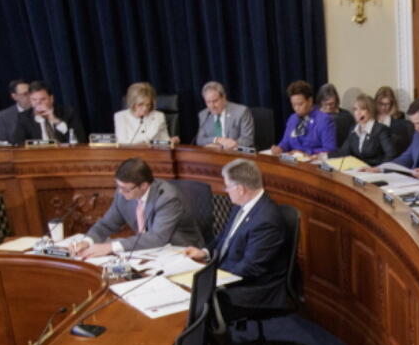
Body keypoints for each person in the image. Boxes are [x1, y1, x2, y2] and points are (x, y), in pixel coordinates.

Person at [184, 159, 289, 315]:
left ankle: (215, 338)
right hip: (230, 271)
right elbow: (224, 236)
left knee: (195, 302)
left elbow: (250, 268)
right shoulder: (241, 206)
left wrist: (211, 279)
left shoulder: (267, 220)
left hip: (253, 288)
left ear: (240, 189)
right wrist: (205, 252)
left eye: (227, 186)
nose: (225, 190)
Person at [70, 157, 205, 258]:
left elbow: (157, 237)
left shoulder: (167, 197)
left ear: (144, 186)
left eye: (126, 189)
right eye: (118, 186)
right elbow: (106, 224)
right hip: (148, 252)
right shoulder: (122, 194)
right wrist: (87, 241)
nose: (120, 192)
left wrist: (110, 246)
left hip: (182, 251)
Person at [12, 81, 85, 145]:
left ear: (51, 99)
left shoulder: (68, 113)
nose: (38, 103)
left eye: (42, 99)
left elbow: (79, 140)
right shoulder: (24, 117)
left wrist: (56, 121)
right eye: (34, 100)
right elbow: (17, 143)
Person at [276, 80, 337, 156]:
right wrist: (280, 148)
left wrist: (307, 152)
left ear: (310, 101)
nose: (296, 108)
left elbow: (330, 150)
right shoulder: (292, 119)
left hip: (313, 164)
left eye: (300, 104)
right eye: (294, 104)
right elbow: (286, 142)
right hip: (293, 162)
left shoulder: (324, 120)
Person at [336, 94, 396, 166]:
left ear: (370, 111)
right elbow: (343, 152)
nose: (358, 113)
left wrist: (379, 169)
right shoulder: (353, 129)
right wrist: (325, 156)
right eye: (355, 109)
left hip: (374, 171)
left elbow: (391, 155)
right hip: (358, 170)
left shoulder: (380, 129)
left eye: (362, 109)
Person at [194, 81, 254, 150]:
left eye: (215, 101)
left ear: (223, 97)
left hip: (240, 151)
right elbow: (200, 140)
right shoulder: (204, 115)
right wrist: (216, 140)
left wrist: (223, 146)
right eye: (208, 102)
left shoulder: (241, 112)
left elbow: (248, 140)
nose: (212, 106)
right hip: (215, 155)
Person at [373, 86, 413, 154]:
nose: (383, 107)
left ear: (392, 103)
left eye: (387, 104)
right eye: (381, 103)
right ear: (376, 102)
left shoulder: (399, 116)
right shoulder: (371, 116)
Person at [317, 83, 355, 148]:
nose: (328, 107)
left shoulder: (346, 117)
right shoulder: (314, 117)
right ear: (320, 102)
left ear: (336, 101)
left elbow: (352, 140)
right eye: (325, 104)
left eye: (331, 104)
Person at [0, 79, 31, 143]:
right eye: (25, 94)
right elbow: (1, 142)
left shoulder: (42, 109)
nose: (30, 96)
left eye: (31, 93)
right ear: (14, 96)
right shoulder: (4, 116)